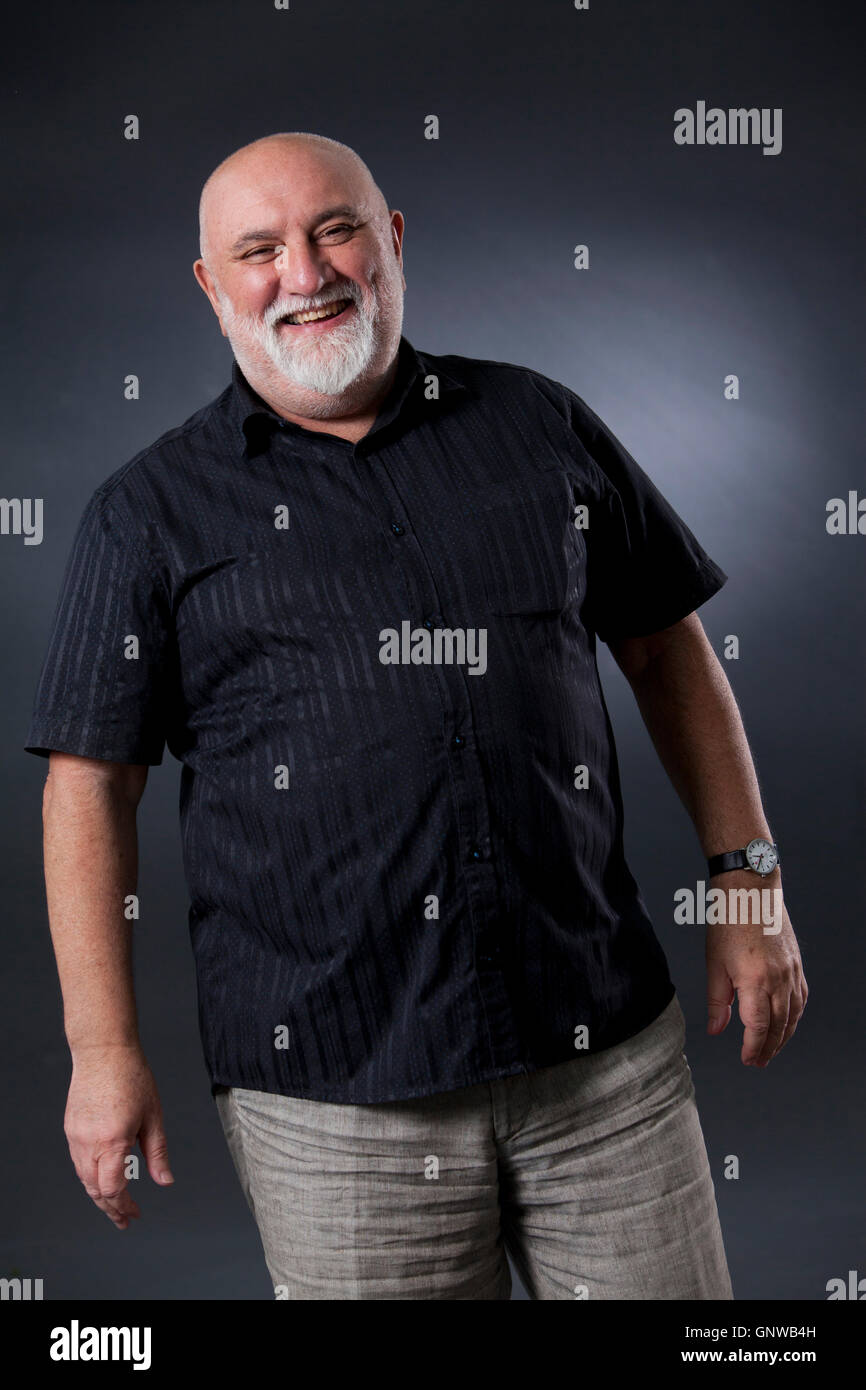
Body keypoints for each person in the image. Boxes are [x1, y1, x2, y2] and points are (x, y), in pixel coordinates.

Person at [25, 131, 808, 1301]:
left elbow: (666, 649)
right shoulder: (147, 516)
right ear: (211, 285)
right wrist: (101, 1052)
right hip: (336, 1103)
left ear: (389, 240)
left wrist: (746, 882)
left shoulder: (538, 425)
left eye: (333, 228)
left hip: (603, 1064)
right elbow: (89, 784)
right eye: (258, 249)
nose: (304, 271)